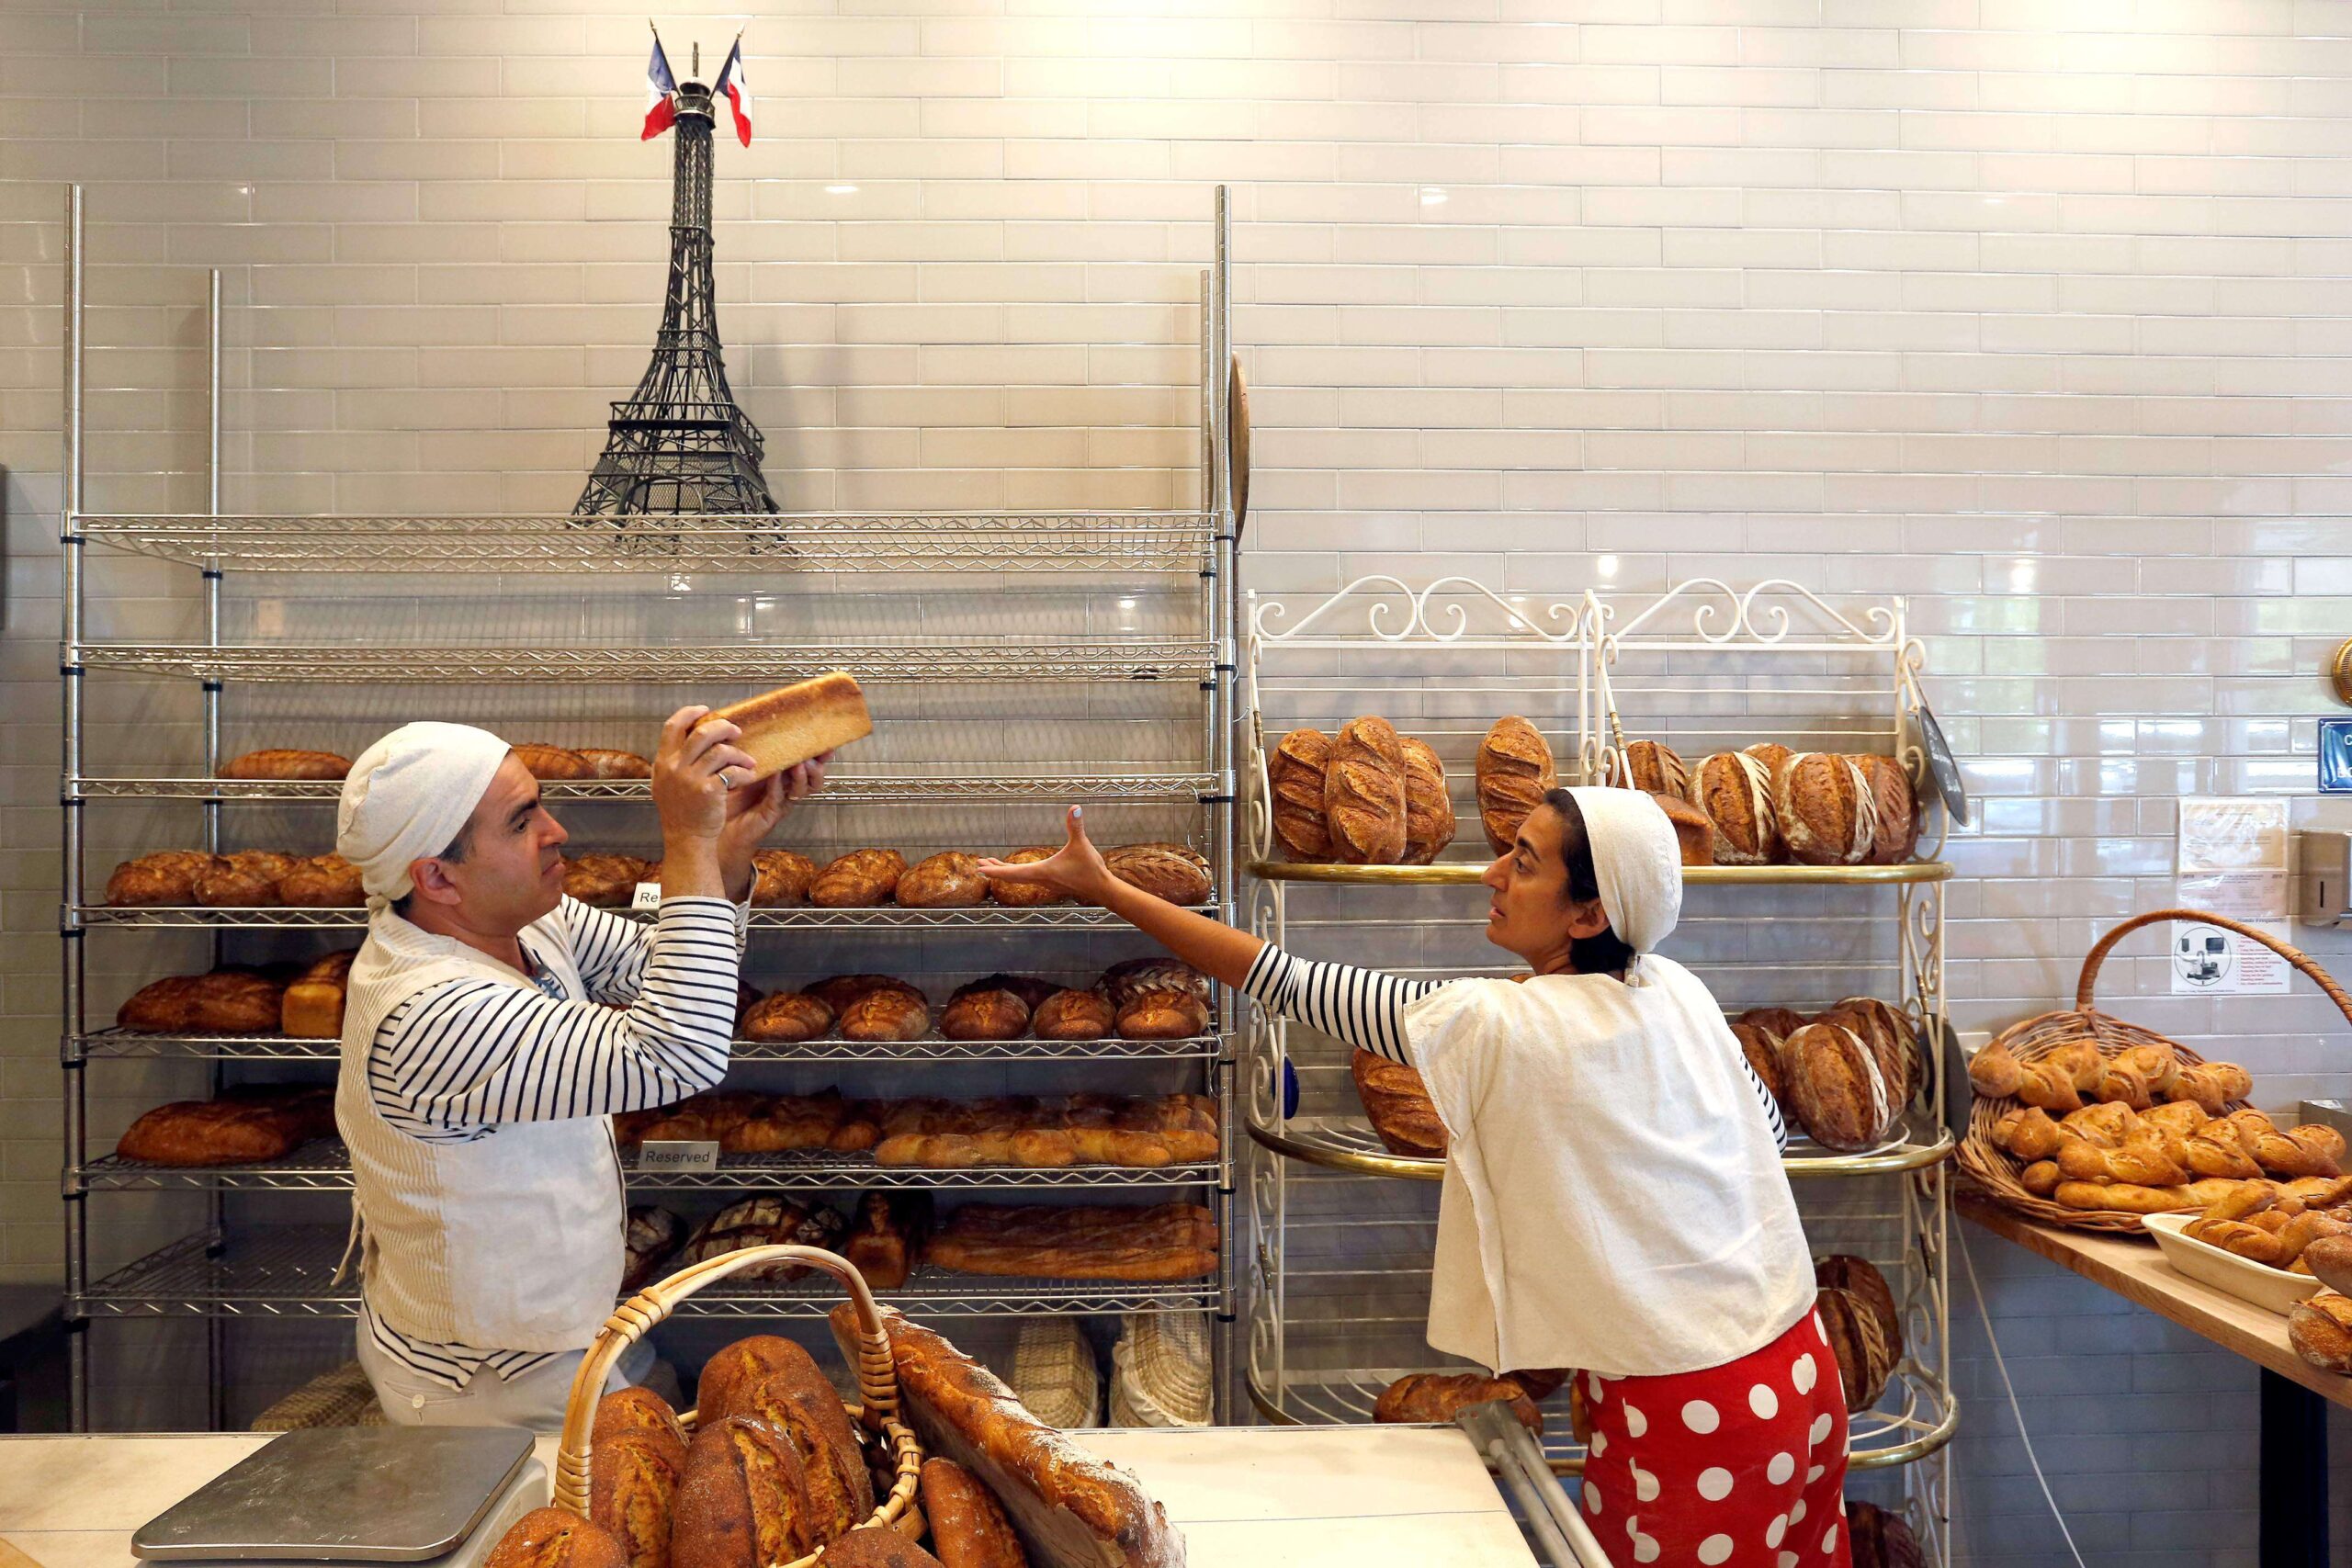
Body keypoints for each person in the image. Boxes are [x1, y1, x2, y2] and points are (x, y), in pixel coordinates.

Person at [981, 787, 1847, 1568]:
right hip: (1799, 1366)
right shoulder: (1676, 990)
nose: (1490, 870)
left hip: (1693, 1408)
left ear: (1587, 915)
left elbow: (1278, 978)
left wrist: (1107, 889)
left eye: (1524, 861)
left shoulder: (1501, 1023)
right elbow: (1765, 1136)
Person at [332, 707, 828, 1427]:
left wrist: (721, 847)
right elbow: (676, 1050)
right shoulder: (426, 1011)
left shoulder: (525, 920)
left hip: (569, 1337)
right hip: (487, 1385)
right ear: (437, 876)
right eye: (521, 820)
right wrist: (684, 835)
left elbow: (679, 970)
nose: (556, 830)